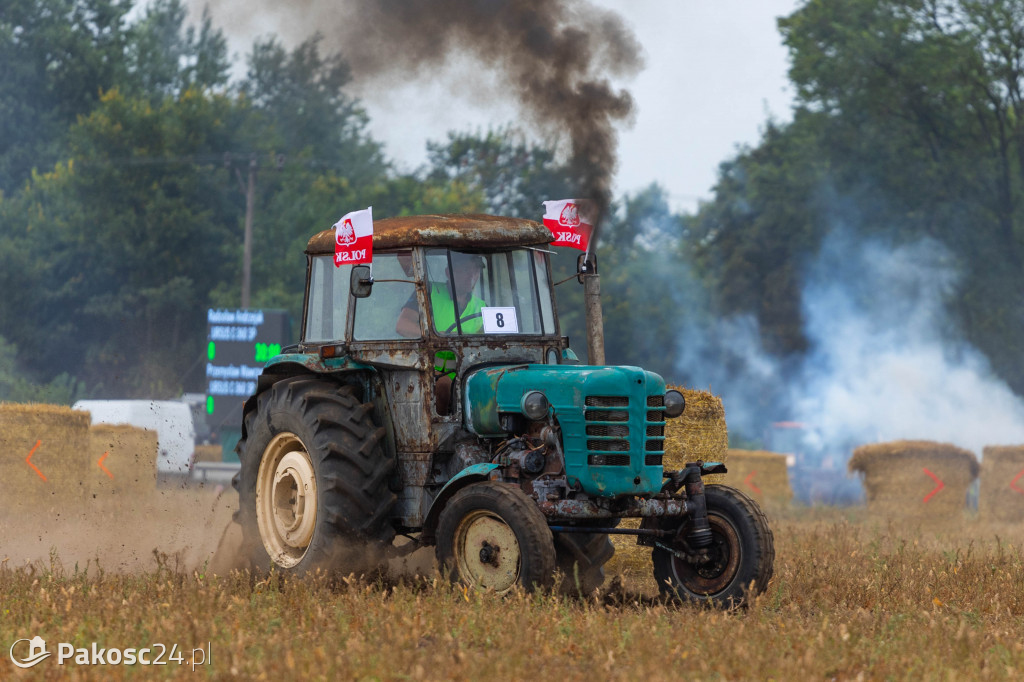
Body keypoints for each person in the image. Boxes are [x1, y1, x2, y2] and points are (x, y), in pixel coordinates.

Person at [395, 251, 487, 337]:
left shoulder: (483, 307)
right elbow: (403, 326)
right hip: (431, 353)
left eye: (476, 271)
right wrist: (437, 336)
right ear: (448, 273)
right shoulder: (428, 292)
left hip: (469, 354)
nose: (471, 276)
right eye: (466, 270)